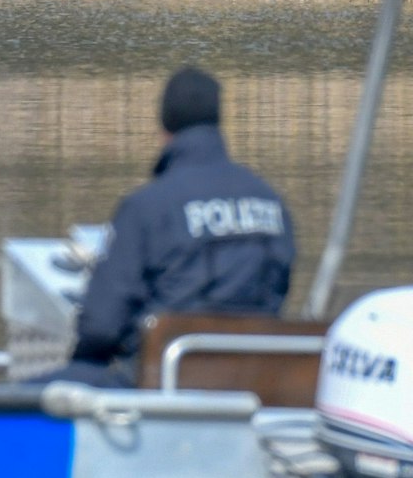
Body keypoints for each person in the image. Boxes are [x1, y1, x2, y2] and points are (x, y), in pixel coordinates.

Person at [52, 67, 295, 388]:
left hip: (164, 379)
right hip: (250, 381)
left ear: (165, 124)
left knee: (32, 397)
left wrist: (82, 368)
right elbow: (278, 291)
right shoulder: (270, 202)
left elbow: (101, 325)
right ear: (217, 120)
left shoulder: (148, 205)